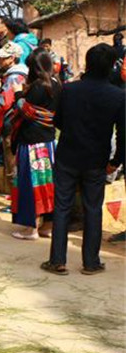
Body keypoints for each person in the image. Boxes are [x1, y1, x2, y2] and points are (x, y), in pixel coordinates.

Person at [43, 44, 125, 275]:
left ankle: (57, 260)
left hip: (68, 155)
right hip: (96, 159)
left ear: (87, 64)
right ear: (111, 66)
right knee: (93, 209)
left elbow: (57, 121)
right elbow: (123, 133)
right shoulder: (118, 95)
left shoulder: (69, 90)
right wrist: (116, 160)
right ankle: (91, 262)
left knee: (62, 207)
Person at [9, 51, 61, 240]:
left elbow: (25, 110)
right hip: (48, 143)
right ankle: (47, 226)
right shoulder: (56, 84)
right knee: (48, 184)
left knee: (30, 184)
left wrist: (17, 94)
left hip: (31, 143)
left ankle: (30, 228)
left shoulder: (38, 87)